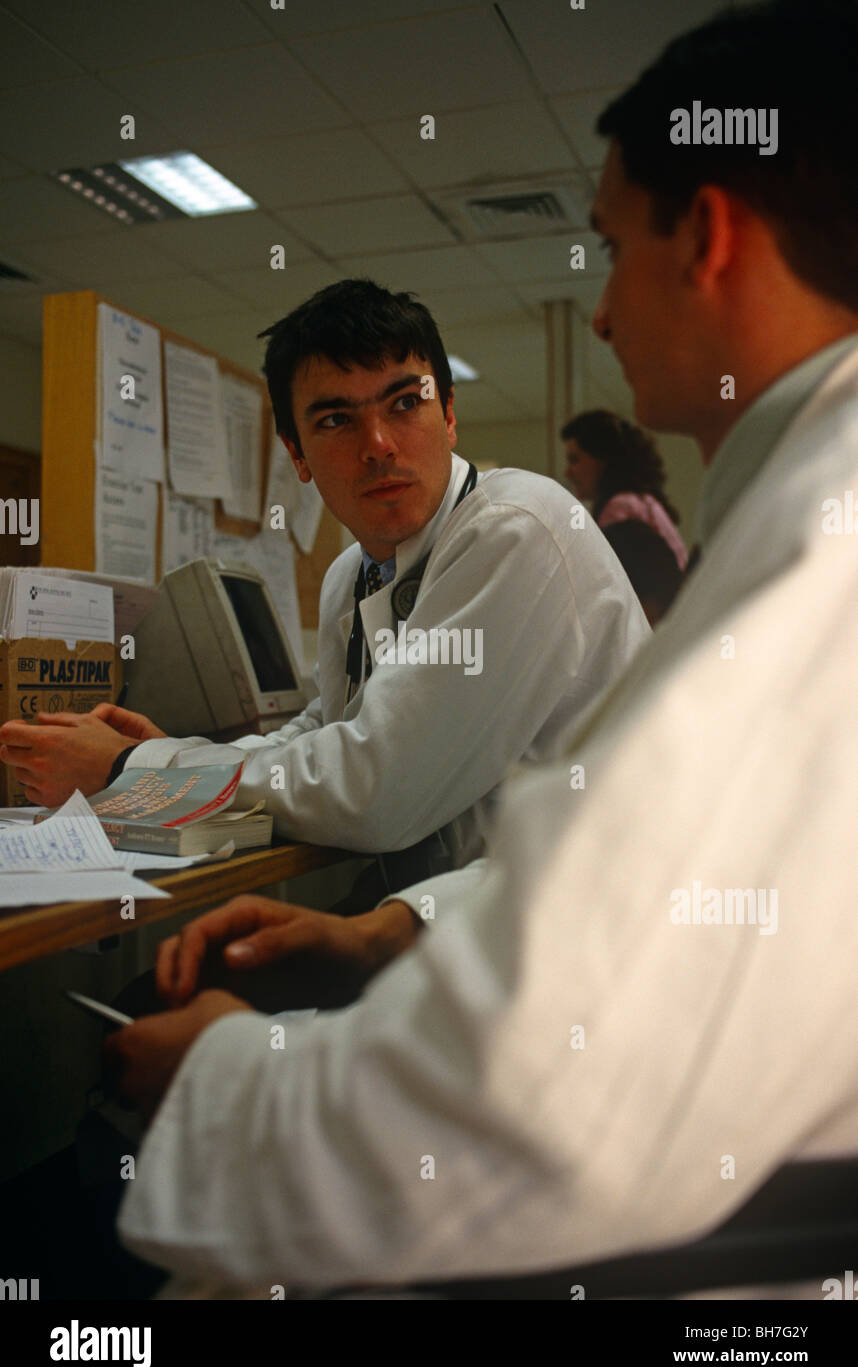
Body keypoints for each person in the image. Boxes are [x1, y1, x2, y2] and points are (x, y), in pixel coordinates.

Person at [109, 0, 858, 1292]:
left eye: (613, 252)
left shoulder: (813, 544)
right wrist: (392, 929)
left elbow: (541, 1091)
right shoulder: (792, 503)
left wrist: (227, 1083)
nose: (606, 317)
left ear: (712, 237)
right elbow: (621, 893)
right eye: (335, 422)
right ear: (299, 451)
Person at [0, 281, 648, 914]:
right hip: (446, 913)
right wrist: (177, 756)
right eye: (337, 419)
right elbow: (329, 727)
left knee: (180, 999)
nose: (378, 446)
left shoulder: (514, 529)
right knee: (184, 979)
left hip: (569, 932)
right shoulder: (352, 573)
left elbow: (376, 790)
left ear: (448, 413)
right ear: (297, 454)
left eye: (404, 403)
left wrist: (133, 768)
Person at [563, 409, 687, 621]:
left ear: (602, 460)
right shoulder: (644, 502)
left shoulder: (621, 512)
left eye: (575, 460)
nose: (568, 472)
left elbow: (641, 601)